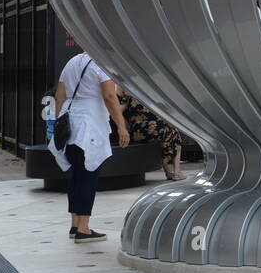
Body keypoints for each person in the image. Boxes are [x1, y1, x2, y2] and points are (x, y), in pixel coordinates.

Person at [48, 52, 129, 243]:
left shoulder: (72, 61)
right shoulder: (102, 64)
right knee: (88, 175)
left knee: (77, 175)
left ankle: (75, 225)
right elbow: (109, 96)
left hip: (71, 121)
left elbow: (59, 95)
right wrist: (121, 125)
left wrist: (60, 122)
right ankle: (84, 228)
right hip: (90, 124)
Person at [118, 88, 184, 180]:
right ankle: (177, 171)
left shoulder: (129, 95)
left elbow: (118, 111)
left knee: (165, 135)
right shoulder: (149, 93)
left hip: (137, 133)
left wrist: (125, 125)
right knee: (175, 134)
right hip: (153, 130)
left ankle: (168, 172)